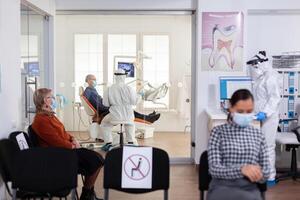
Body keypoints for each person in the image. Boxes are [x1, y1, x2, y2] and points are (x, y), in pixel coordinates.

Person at [31, 88, 104, 200]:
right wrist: (72, 146)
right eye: (51, 97)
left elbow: (63, 133)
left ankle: (88, 193)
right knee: (96, 160)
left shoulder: (50, 115)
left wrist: (73, 138)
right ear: (45, 100)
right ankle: (86, 195)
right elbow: (56, 141)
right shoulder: (40, 120)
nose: (54, 99)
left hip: (65, 150)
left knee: (97, 159)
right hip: (59, 155)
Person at [207, 89, 270, 200]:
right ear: (231, 108)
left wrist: (258, 174)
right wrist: (242, 170)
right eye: (240, 111)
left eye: (249, 111)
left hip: (249, 189)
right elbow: (214, 169)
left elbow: (266, 172)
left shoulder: (258, 135)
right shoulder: (218, 132)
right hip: (222, 188)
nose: (245, 115)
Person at [247, 51, 281, 186]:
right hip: (258, 116)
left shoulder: (271, 77)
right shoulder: (260, 78)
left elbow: (274, 99)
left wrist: (264, 113)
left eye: (255, 65)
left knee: (268, 146)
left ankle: (270, 177)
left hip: (269, 117)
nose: (254, 68)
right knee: (257, 147)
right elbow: (259, 98)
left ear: (262, 63)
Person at [83, 74, 160, 124]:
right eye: (93, 79)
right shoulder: (89, 92)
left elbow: (100, 102)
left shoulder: (91, 90)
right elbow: (100, 106)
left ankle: (148, 117)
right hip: (104, 111)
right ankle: (148, 118)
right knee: (128, 110)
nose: (95, 81)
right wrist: (111, 106)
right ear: (87, 81)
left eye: (95, 79)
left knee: (128, 110)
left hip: (105, 109)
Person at [99, 69, 139, 151]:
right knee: (130, 124)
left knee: (104, 124)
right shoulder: (129, 88)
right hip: (128, 115)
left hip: (115, 115)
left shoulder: (109, 89)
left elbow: (105, 104)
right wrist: (140, 96)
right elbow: (134, 102)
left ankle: (108, 143)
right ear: (124, 76)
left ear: (115, 76)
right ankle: (130, 142)